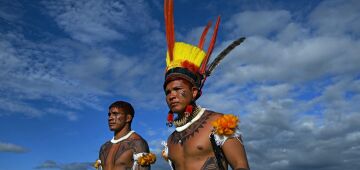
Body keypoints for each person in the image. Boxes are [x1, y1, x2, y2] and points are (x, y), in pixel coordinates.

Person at [161, 0, 249, 169]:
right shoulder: (171, 140)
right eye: (168, 92)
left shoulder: (218, 122)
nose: (171, 95)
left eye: (178, 89)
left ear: (194, 92)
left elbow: (241, 165)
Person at [94, 101, 155, 170]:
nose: (110, 118)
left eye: (115, 114)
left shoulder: (138, 143)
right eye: (109, 114)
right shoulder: (104, 147)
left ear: (128, 118)